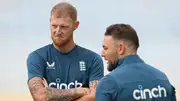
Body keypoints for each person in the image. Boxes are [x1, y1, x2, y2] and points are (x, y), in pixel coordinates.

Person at [26, 2, 104, 101]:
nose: (57, 31)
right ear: (50, 21)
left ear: (75, 25)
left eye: (63, 27)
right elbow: (41, 96)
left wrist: (52, 93)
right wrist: (81, 91)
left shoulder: (93, 59)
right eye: (54, 26)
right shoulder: (37, 57)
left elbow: (95, 97)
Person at [95, 24, 177, 101]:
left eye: (105, 48)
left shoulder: (109, 83)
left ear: (121, 48)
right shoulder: (162, 78)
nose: (102, 54)